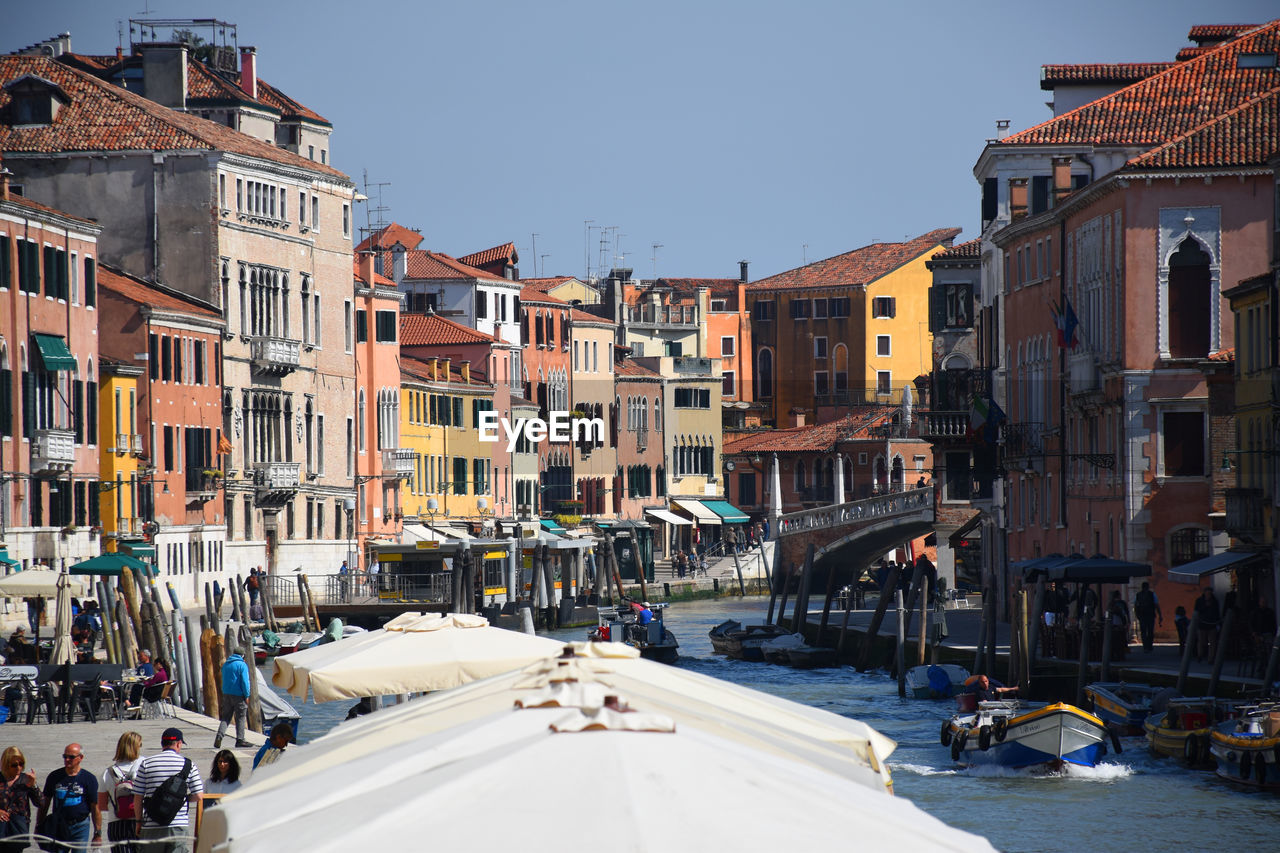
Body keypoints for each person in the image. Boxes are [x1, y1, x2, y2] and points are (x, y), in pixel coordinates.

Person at [132, 728, 203, 853]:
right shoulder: (189, 764)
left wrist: (138, 821)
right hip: (177, 824)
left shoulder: (146, 763)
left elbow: (138, 797)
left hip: (151, 825)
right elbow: (198, 795)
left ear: (162, 744)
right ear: (178, 743)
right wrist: (181, 799)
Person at [38, 742, 101, 851]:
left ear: (80, 758)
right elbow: (45, 803)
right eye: (65, 756)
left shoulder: (89, 778)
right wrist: (39, 826)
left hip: (80, 826)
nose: (67, 759)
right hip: (59, 825)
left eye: (71, 757)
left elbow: (95, 807)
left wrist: (98, 833)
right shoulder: (54, 776)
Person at [99, 731, 142, 851]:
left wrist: (121, 807)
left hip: (116, 823)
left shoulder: (107, 773)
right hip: (140, 821)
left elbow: (102, 805)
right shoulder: (144, 769)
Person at [0, 746, 44, 853]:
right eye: (14, 765)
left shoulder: (25, 779)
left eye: (21, 764)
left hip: (18, 828)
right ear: (6, 764)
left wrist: (33, 786)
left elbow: (41, 803)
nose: (18, 768)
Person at [214, 648, 252, 749]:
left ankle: (219, 736)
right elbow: (245, 682)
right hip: (239, 695)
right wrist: (247, 695)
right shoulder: (242, 665)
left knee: (226, 717)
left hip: (227, 694)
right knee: (240, 717)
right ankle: (240, 740)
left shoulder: (226, 664)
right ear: (242, 655)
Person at [1134, 582, 1163, 653]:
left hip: (1142, 616)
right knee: (1150, 631)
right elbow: (1156, 605)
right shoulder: (1152, 594)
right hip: (1150, 615)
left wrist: (1137, 615)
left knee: (1143, 631)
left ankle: (1145, 647)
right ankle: (1150, 646)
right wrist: (1160, 615)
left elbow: (1135, 606)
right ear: (1148, 587)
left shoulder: (1138, 595)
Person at [1194, 587, 1221, 662]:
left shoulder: (1214, 601)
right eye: (1207, 592)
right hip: (1202, 624)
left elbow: (1217, 612)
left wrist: (1218, 622)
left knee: (1213, 642)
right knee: (1202, 641)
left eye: (1210, 593)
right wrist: (1205, 605)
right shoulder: (1199, 601)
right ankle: (1200, 655)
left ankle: (1211, 658)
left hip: (1212, 624)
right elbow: (1197, 611)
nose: (1209, 594)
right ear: (1204, 592)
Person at [1108, 590, 1130, 659]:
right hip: (1120, 624)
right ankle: (1121, 654)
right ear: (1119, 596)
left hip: (1113, 624)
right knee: (1122, 640)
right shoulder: (1122, 603)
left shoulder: (1111, 604)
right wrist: (1127, 622)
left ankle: (1116, 654)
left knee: (1115, 641)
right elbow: (1126, 613)